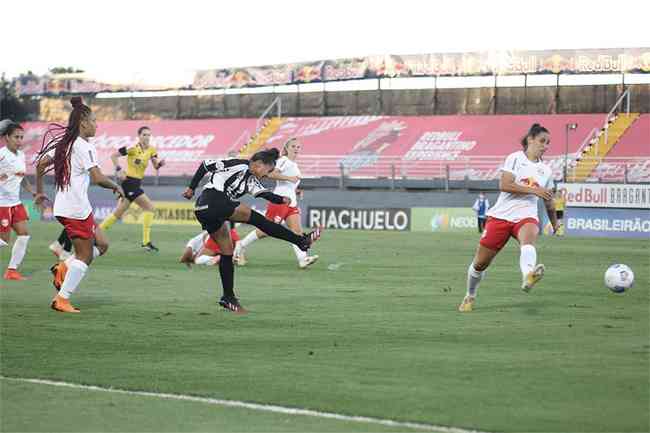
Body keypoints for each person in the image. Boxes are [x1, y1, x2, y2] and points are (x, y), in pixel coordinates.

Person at [182, 148, 322, 313]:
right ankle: (301, 241)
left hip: (203, 211)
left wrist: (282, 199)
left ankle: (228, 297)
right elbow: (205, 165)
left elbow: (264, 194)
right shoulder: (237, 164)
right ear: (258, 164)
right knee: (260, 221)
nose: (266, 175)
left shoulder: (253, 181)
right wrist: (191, 188)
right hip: (212, 200)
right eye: (267, 171)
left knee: (227, 251)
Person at [35, 97, 124, 313]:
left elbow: (39, 165)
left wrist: (40, 191)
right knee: (84, 256)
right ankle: (62, 299)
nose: (96, 124)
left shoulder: (65, 144)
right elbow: (97, 177)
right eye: (93, 120)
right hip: (75, 209)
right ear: (83, 123)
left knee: (102, 244)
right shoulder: (84, 146)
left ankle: (63, 268)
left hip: (72, 207)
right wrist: (116, 186)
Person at [458, 123, 558, 313]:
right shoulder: (515, 158)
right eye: (542, 141)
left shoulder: (546, 171)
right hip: (501, 216)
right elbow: (505, 184)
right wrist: (535, 190)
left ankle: (528, 276)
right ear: (530, 139)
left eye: (548, 143)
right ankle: (470, 296)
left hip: (526, 216)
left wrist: (555, 223)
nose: (545, 146)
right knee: (480, 264)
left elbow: (548, 199)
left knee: (528, 240)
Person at [235, 138, 318, 269]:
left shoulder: (294, 164)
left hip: (291, 202)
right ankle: (241, 245)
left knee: (297, 232)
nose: (296, 149)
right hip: (280, 200)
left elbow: (288, 184)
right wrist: (289, 178)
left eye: (298, 147)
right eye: (293, 146)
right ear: (286, 148)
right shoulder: (283, 161)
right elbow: (271, 174)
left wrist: (296, 190)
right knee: (267, 230)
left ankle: (303, 259)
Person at [99, 126, 165, 251]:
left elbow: (156, 166)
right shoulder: (132, 148)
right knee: (150, 208)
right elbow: (113, 156)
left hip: (136, 184)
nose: (147, 137)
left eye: (148, 135)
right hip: (129, 183)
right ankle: (146, 242)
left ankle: (95, 234)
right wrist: (119, 169)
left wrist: (160, 164)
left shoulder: (152, 150)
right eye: (144, 135)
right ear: (139, 136)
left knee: (117, 214)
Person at [0, 120, 37, 280]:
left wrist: (33, 193)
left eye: (22, 137)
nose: (20, 141)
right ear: (7, 137)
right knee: (4, 240)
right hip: (1, 204)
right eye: (16, 137)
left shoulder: (21, 155)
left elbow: (22, 178)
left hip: (15, 203)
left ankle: (11, 271)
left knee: (24, 235)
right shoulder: (1, 155)